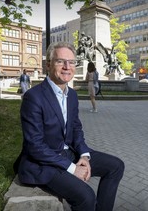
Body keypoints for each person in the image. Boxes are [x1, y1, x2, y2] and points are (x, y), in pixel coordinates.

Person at [15, 42, 124, 211]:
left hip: (68, 153)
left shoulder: (72, 95)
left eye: (71, 62)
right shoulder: (33, 97)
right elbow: (35, 147)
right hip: (44, 162)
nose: (67, 67)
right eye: (60, 61)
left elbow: (76, 129)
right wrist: (73, 169)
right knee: (86, 197)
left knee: (116, 166)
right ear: (49, 65)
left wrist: (85, 156)